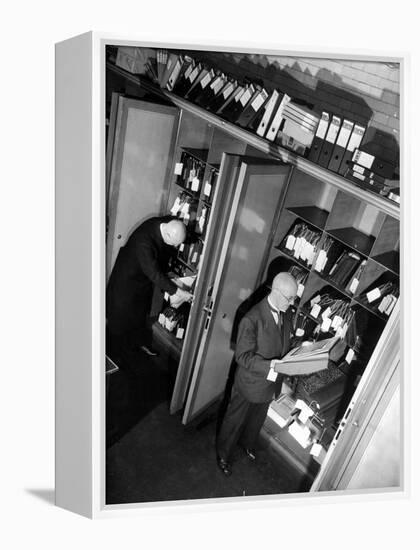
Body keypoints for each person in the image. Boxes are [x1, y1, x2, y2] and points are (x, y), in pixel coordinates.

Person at [216, 272, 298, 476]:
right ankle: (223, 454)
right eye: (290, 298)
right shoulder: (251, 318)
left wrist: (298, 348)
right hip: (250, 384)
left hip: (269, 384)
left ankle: (247, 445)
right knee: (234, 421)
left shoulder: (285, 312)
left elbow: (282, 343)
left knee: (256, 421)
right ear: (277, 292)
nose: (292, 303)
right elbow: (242, 357)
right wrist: (271, 365)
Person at [106, 216, 193, 360]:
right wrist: (179, 292)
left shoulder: (166, 223)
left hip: (141, 282)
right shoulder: (143, 242)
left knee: (139, 315)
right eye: (174, 244)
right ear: (167, 234)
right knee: (120, 321)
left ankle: (137, 346)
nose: (175, 247)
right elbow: (153, 273)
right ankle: (116, 356)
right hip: (127, 282)